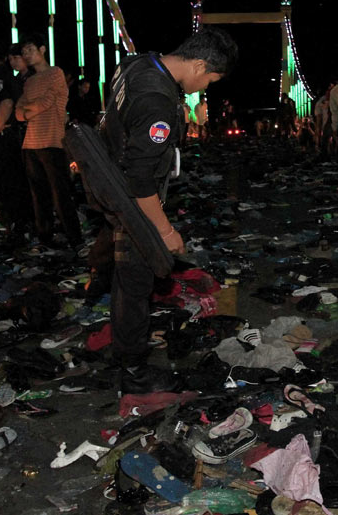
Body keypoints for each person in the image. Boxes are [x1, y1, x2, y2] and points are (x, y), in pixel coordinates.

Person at [96, 27, 237, 394]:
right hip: (132, 201)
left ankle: (124, 355)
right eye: (210, 80)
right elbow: (140, 179)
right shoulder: (157, 99)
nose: (204, 88)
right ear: (200, 65)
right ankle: (134, 372)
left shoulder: (134, 65)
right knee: (136, 284)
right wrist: (165, 230)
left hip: (109, 184)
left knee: (124, 281)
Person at [14, 32, 83, 247]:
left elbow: (46, 102)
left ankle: (75, 239)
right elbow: (18, 112)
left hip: (52, 141)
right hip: (30, 144)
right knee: (38, 195)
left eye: (30, 50)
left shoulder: (55, 73)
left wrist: (28, 111)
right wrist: (28, 111)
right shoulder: (29, 81)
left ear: (42, 49)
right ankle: (45, 237)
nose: (27, 55)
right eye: (24, 52)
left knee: (60, 194)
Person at [0, 37, 32, 237]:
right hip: (11, 136)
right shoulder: (11, 76)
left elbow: (6, 103)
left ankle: (14, 225)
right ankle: (20, 223)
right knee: (14, 180)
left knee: (3, 182)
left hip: (4, 137)